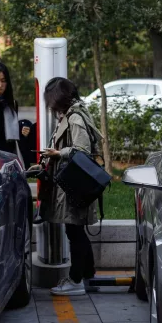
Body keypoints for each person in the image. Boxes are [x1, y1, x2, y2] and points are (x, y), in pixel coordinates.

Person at [32, 77, 103, 296]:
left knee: (74, 232)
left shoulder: (74, 118)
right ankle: (88, 276)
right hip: (74, 184)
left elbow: (81, 150)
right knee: (76, 230)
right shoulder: (73, 113)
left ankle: (75, 280)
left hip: (75, 185)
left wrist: (57, 153)